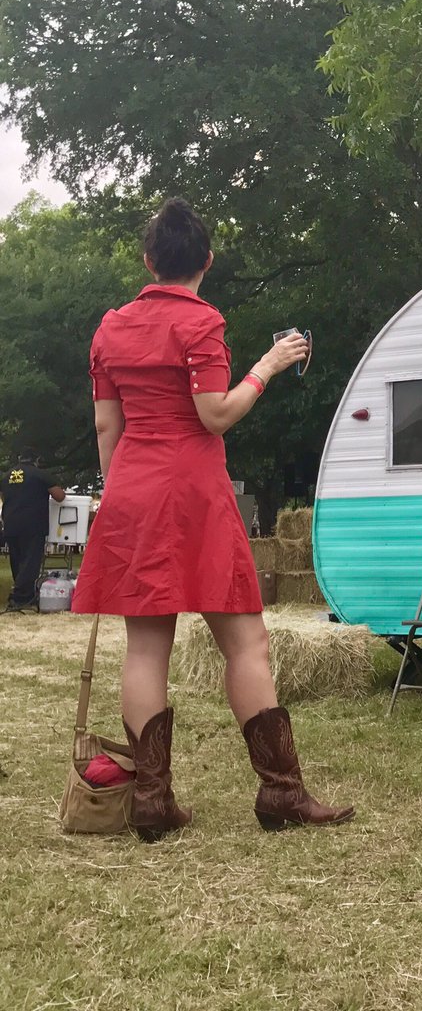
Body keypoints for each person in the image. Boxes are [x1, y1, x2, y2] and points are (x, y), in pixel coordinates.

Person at [71, 197, 353, 841]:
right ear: (207, 260)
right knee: (246, 642)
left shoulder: (110, 328)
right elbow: (215, 415)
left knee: (145, 647)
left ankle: (150, 801)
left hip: (133, 489)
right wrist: (270, 364)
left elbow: (105, 424)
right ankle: (281, 792)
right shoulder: (202, 323)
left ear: (147, 261)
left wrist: (121, 496)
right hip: (194, 490)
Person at [1, 447, 66, 611]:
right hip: (33, 523)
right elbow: (60, 496)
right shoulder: (39, 474)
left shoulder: (7, 475)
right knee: (31, 561)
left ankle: (26, 596)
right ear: (36, 460)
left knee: (17, 561)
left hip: (10, 522)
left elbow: (3, 495)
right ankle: (19, 598)